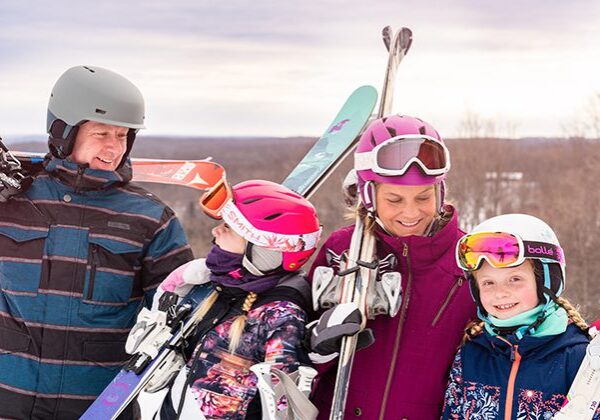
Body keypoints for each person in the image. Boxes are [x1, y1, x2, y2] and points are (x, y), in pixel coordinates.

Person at [0, 65, 193, 419]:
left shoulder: (148, 218)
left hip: (98, 408)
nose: (113, 148)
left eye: (122, 136)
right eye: (101, 133)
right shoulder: (11, 203)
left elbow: (188, 306)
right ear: (64, 132)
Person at [307, 115, 476, 419]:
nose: (411, 212)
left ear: (440, 192)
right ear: (369, 196)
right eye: (395, 199)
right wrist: (317, 345)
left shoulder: (468, 259)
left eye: (424, 197)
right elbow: (294, 351)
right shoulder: (342, 250)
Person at [142, 179, 321, 419]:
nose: (215, 231)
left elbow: (284, 405)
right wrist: (174, 287)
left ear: (263, 252)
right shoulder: (221, 288)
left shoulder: (279, 315)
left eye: (228, 227)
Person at [443, 213, 600, 419]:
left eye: (514, 279)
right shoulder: (470, 355)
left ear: (546, 282)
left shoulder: (581, 359)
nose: (500, 293)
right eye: (488, 283)